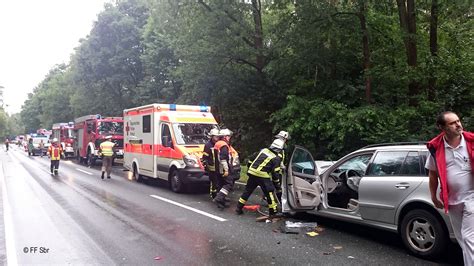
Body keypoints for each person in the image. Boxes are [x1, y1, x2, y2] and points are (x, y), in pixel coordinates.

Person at [426, 111, 473, 266]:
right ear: (442, 127)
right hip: (452, 200)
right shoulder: (436, 148)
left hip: (471, 197)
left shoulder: (471, 142)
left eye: (458, 121)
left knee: (468, 237)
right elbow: (433, 174)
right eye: (452, 123)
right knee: (461, 239)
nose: (458, 124)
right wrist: (433, 196)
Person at [235, 138, 284, 217]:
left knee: (247, 191)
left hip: (252, 172)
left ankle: (238, 208)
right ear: (279, 149)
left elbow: (252, 158)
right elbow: (275, 174)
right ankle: (273, 212)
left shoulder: (264, 150)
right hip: (262, 175)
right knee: (269, 192)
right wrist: (277, 186)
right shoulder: (276, 158)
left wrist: (249, 169)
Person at [213, 128, 240, 209]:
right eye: (228, 136)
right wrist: (227, 170)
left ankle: (221, 202)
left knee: (220, 184)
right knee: (229, 183)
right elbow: (223, 158)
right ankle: (219, 198)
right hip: (224, 168)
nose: (229, 137)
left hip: (218, 168)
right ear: (224, 137)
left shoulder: (217, 143)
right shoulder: (223, 145)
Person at [202, 128, 220, 199]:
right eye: (216, 136)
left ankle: (218, 195)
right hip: (212, 167)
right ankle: (214, 196)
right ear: (212, 136)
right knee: (214, 182)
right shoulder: (208, 145)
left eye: (218, 136)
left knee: (218, 181)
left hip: (218, 167)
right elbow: (205, 157)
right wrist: (207, 166)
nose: (217, 138)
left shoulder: (218, 144)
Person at [273, 131, 290, 201]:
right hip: (275, 170)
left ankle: (269, 197)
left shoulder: (281, 148)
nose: (286, 141)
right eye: (286, 139)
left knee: (274, 185)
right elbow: (277, 159)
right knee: (276, 186)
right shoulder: (278, 147)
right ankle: (275, 200)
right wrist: (283, 167)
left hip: (277, 170)